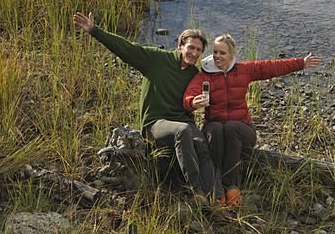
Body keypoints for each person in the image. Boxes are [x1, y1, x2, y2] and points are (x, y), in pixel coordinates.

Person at [73, 11, 223, 203]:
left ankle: (218, 197)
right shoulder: (156, 59)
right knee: (183, 130)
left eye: (198, 50)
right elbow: (126, 48)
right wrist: (94, 31)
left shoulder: (194, 73)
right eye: (190, 48)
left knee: (202, 142)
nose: (194, 53)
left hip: (181, 122)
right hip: (155, 124)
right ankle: (198, 193)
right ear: (180, 46)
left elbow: (194, 99)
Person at [182, 34, 322, 209]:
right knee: (216, 128)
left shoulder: (243, 70)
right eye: (215, 52)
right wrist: (193, 102)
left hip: (243, 131)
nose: (217, 56)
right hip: (215, 131)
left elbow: (271, 67)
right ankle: (216, 185)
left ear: (232, 55)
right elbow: (190, 94)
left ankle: (230, 185)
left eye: (222, 53)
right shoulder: (205, 75)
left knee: (232, 127)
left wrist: (301, 63)